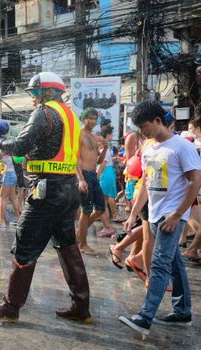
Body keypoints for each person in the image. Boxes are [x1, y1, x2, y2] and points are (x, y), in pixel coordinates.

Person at [0, 72, 92, 324]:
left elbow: (19, 146)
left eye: (33, 93)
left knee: (24, 246)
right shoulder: (69, 115)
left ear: (45, 92)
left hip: (46, 191)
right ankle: (81, 306)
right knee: (67, 245)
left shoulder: (45, 113)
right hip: (67, 189)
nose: (32, 99)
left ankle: (10, 307)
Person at [119, 101, 201, 335]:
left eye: (145, 127)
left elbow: (196, 181)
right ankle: (182, 312)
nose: (142, 133)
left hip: (171, 216)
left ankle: (145, 318)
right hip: (154, 214)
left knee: (159, 264)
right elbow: (145, 181)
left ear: (157, 120)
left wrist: (177, 214)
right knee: (174, 263)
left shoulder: (180, 147)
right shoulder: (148, 147)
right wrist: (135, 213)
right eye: (139, 129)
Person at [76, 107, 108, 254]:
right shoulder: (78, 134)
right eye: (91, 118)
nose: (94, 121)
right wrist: (80, 179)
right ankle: (82, 244)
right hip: (83, 174)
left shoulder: (95, 137)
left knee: (100, 208)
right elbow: (75, 159)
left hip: (93, 175)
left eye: (95, 119)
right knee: (87, 210)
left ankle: (78, 235)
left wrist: (105, 149)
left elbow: (99, 160)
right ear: (84, 118)